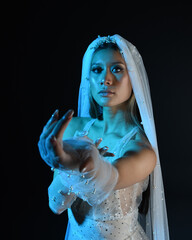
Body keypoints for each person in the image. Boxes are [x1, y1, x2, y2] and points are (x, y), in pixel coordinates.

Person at [38, 34, 169, 240]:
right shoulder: (73, 128)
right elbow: (56, 205)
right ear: (88, 79)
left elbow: (111, 177)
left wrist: (83, 165)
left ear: (133, 78)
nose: (105, 79)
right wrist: (65, 167)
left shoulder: (142, 150)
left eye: (117, 69)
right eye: (97, 70)